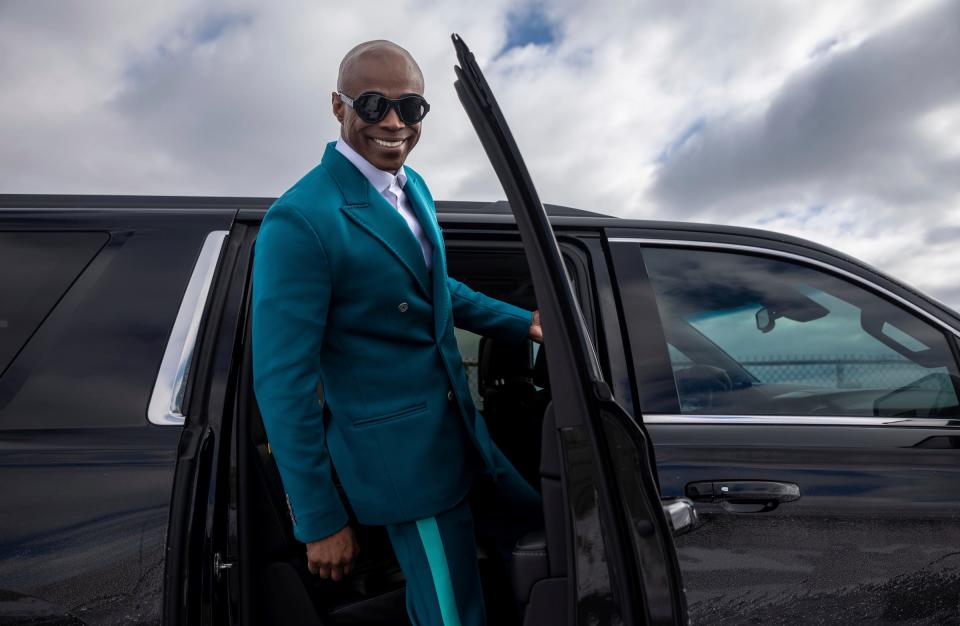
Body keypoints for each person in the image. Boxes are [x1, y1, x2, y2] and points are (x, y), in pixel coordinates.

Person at [251, 39, 544, 626]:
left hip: (461, 431)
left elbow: (435, 291)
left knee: (557, 538)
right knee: (451, 615)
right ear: (338, 106)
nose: (393, 123)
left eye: (410, 108)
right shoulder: (303, 219)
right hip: (402, 465)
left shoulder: (413, 188)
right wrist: (320, 519)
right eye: (372, 104)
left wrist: (528, 324)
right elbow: (284, 384)